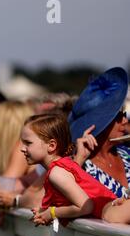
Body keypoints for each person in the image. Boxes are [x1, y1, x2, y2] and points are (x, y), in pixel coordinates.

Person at [22, 113, 130, 225]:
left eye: (28, 143)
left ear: (52, 146)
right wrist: (45, 212)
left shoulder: (57, 173)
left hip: (111, 213)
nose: (22, 149)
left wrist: (52, 213)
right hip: (113, 211)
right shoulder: (64, 165)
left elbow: (85, 207)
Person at [70, 67, 130, 199]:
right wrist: (78, 160)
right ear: (100, 123)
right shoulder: (80, 165)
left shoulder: (127, 154)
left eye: (124, 114)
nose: (125, 120)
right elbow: (57, 199)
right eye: (119, 116)